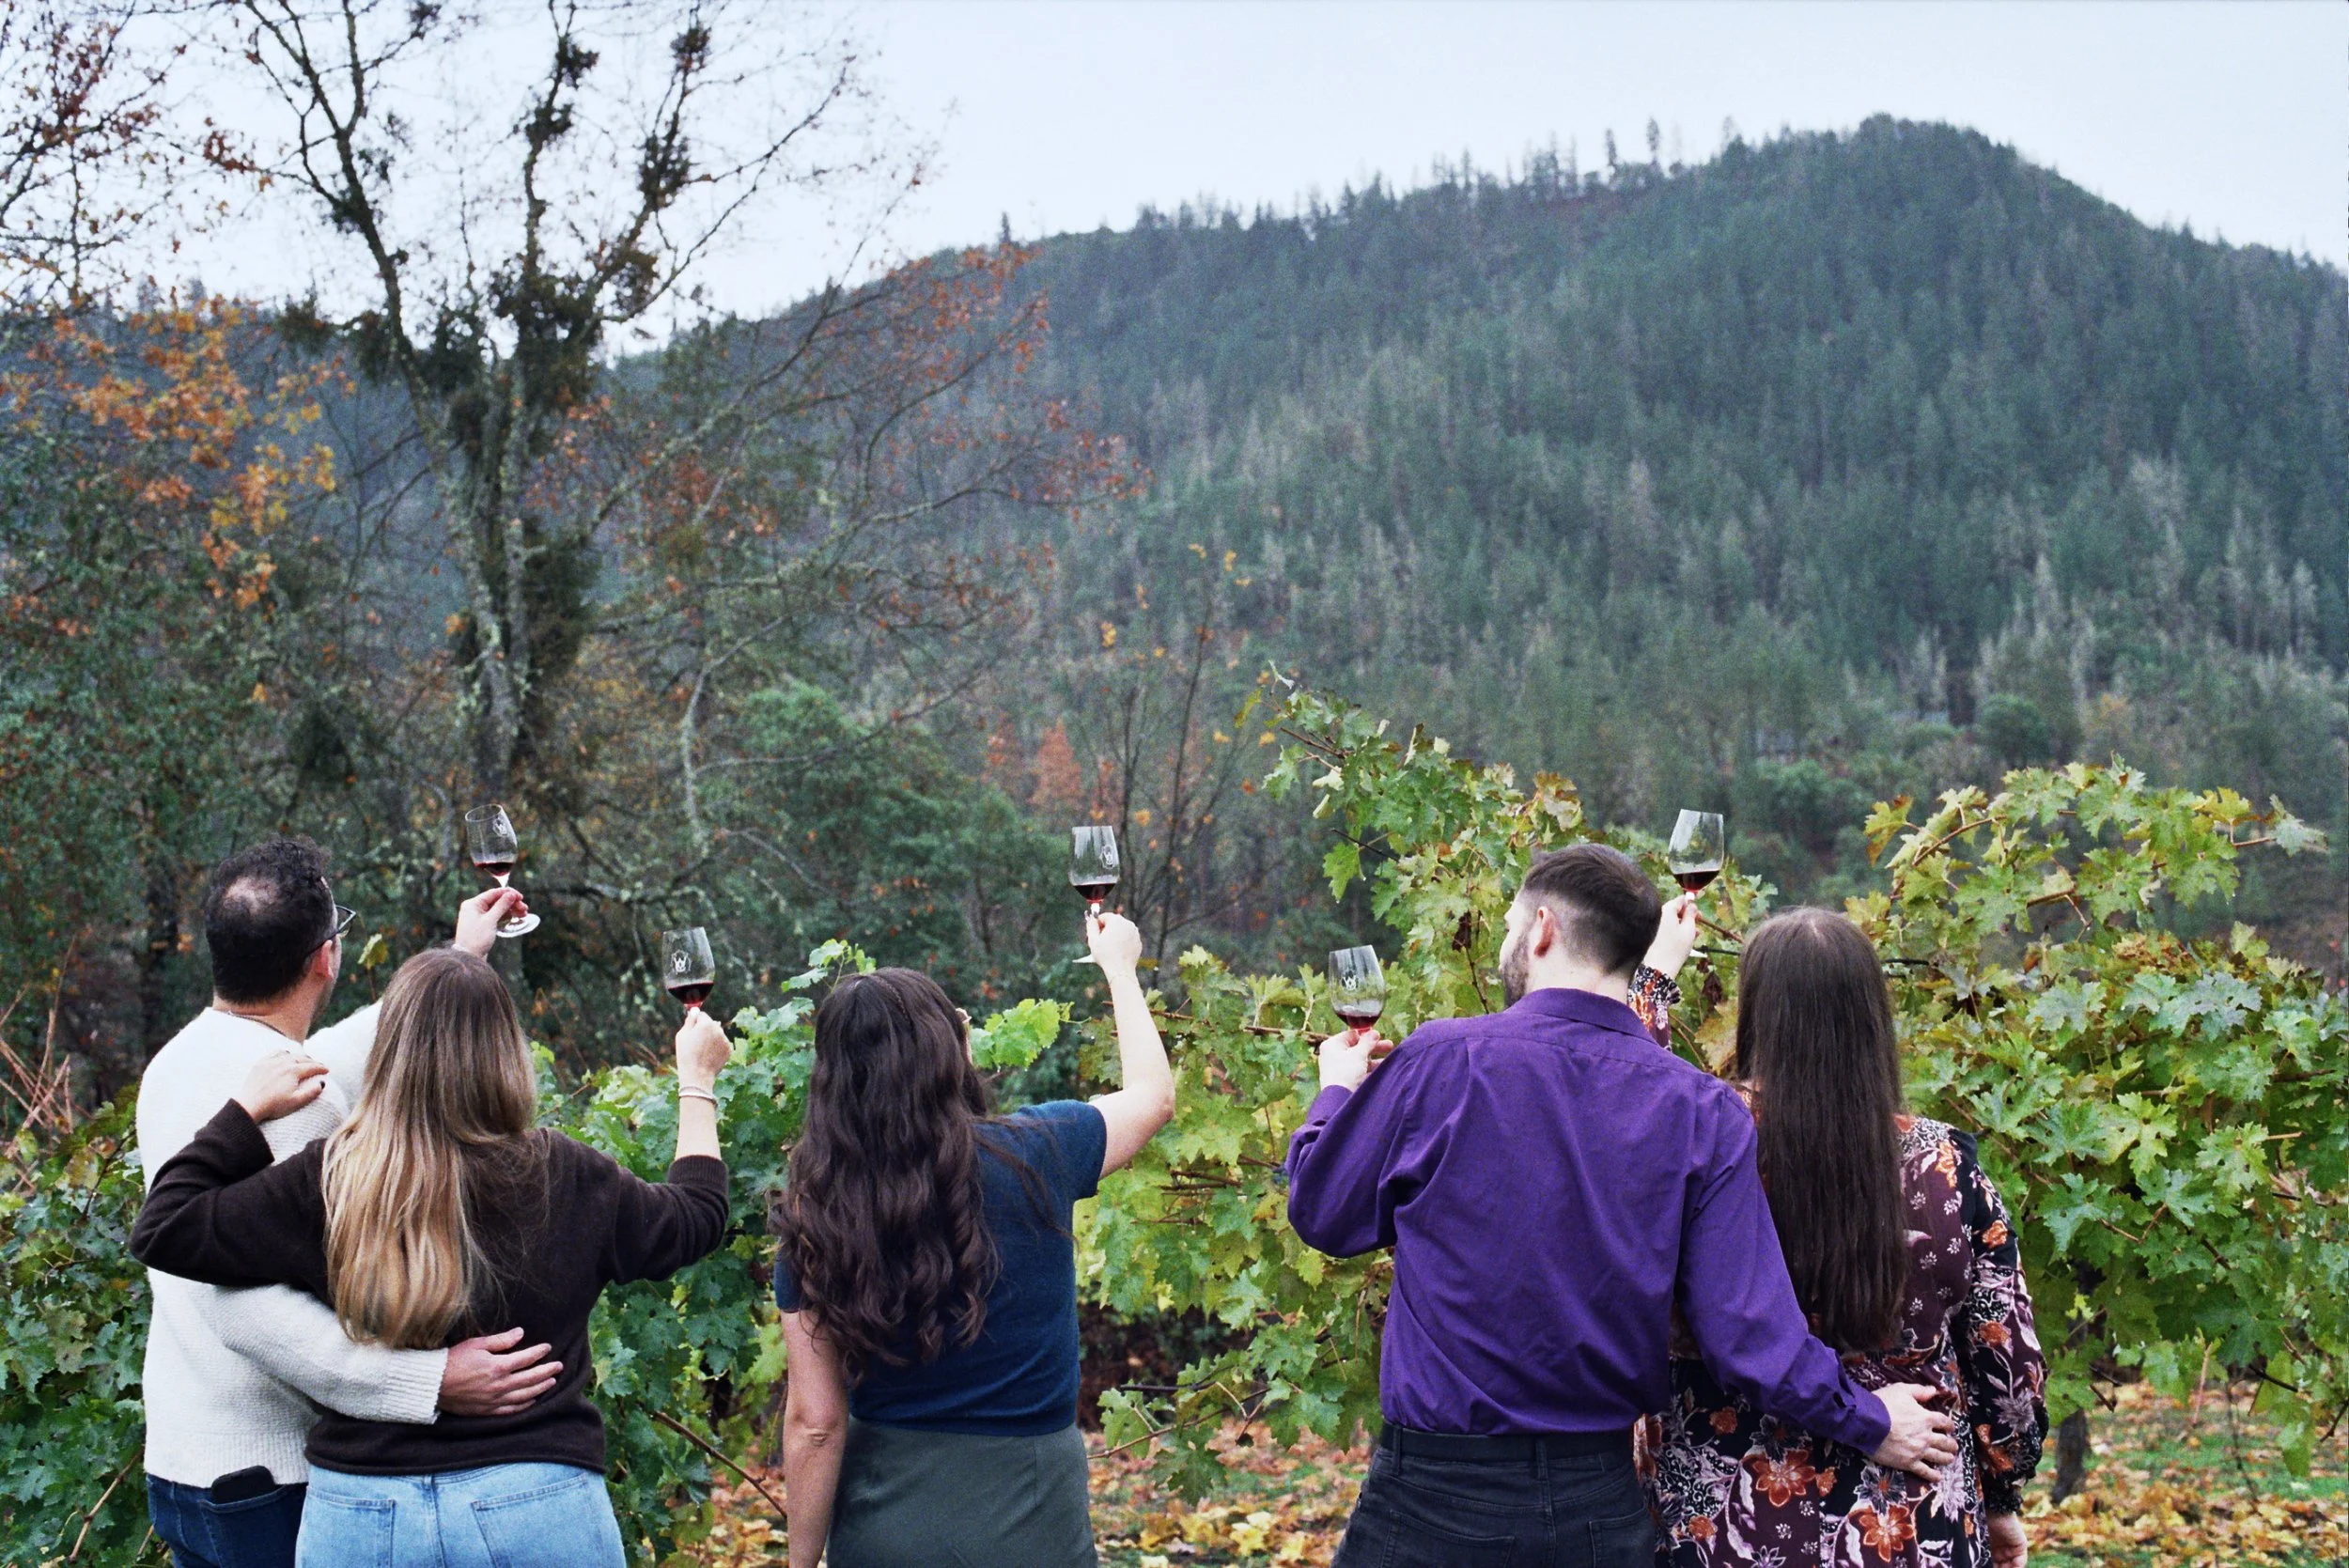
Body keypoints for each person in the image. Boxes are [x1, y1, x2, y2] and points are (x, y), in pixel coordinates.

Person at [1286, 844, 1959, 1568]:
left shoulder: (1442, 1060)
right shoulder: (1702, 1111)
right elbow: (1748, 1334)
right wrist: (1866, 1417)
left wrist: (1337, 1093)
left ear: (1542, 928)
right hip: (1597, 1508)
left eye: (1513, 927)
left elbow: (1324, 1211)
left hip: (1431, 1501)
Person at [131, 943, 736, 1568]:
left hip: (361, 1518)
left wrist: (243, 1112)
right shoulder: (563, 1173)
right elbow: (695, 1216)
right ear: (506, 1050)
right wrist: (697, 1081)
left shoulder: (334, 1177)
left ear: (390, 1050)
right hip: (534, 1503)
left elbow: (164, 1225)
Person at [137, 839, 562, 1568]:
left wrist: (460, 959)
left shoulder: (179, 1061)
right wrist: (429, 1383)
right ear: (324, 958)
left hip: (184, 1464)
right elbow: (245, 1310)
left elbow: (330, 1051)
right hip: (271, 1484)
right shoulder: (299, 1110)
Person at [1641, 908, 2047, 1568]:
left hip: (1721, 1529)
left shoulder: (1705, 1142)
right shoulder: (1946, 1168)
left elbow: (1615, 1093)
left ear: (1756, 1014)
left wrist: (1653, 983)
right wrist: (2001, 1495)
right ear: (1871, 1018)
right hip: (1910, 1529)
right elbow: (2009, 1371)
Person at [773, 911, 1175, 1568]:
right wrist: (1119, 967)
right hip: (1033, 1526)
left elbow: (815, 1422)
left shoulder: (816, 1215)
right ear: (948, 1053)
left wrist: (801, 1560)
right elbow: (1154, 1096)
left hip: (889, 1529)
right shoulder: (1040, 1150)